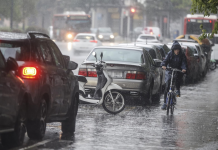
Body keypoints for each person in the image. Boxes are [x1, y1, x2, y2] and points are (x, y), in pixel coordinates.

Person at [161, 41, 187, 110]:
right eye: (175, 50)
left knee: (178, 79)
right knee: (167, 86)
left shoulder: (182, 55)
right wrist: (164, 65)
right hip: (170, 70)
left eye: (178, 50)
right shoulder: (170, 54)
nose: (177, 51)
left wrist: (184, 68)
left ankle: (177, 90)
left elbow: (184, 62)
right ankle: (164, 103)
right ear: (173, 50)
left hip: (178, 70)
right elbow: (165, 60)